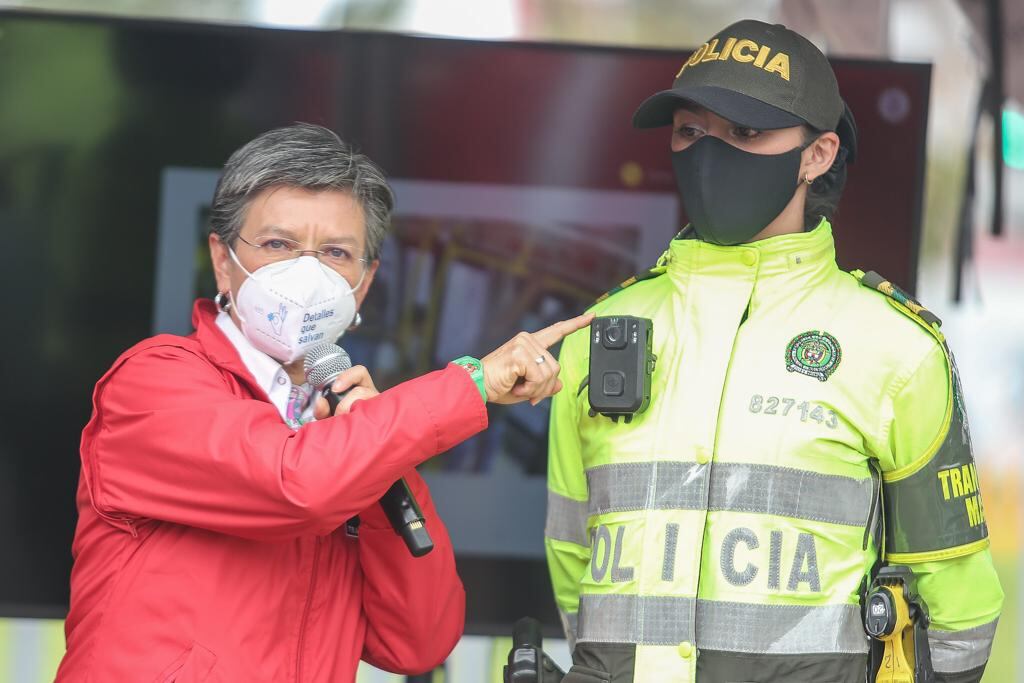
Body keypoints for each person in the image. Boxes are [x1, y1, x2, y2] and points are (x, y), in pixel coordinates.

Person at [545, 20, 1002, 683]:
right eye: (690, 131)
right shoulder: (596, 333)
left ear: (817, 154)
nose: (709, 152)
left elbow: (956, 603)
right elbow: (573, 570)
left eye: (746, 133)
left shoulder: (895, 346)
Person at [57, 123, 591, 682]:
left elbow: (418, 640)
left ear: (364, 282)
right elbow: (298, 485)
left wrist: (385, 460)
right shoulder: (154, 380)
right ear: (222, 259)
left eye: (336, 253)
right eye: (278, 244)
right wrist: (473, 383)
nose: (307, 273)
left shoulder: (350, 430)